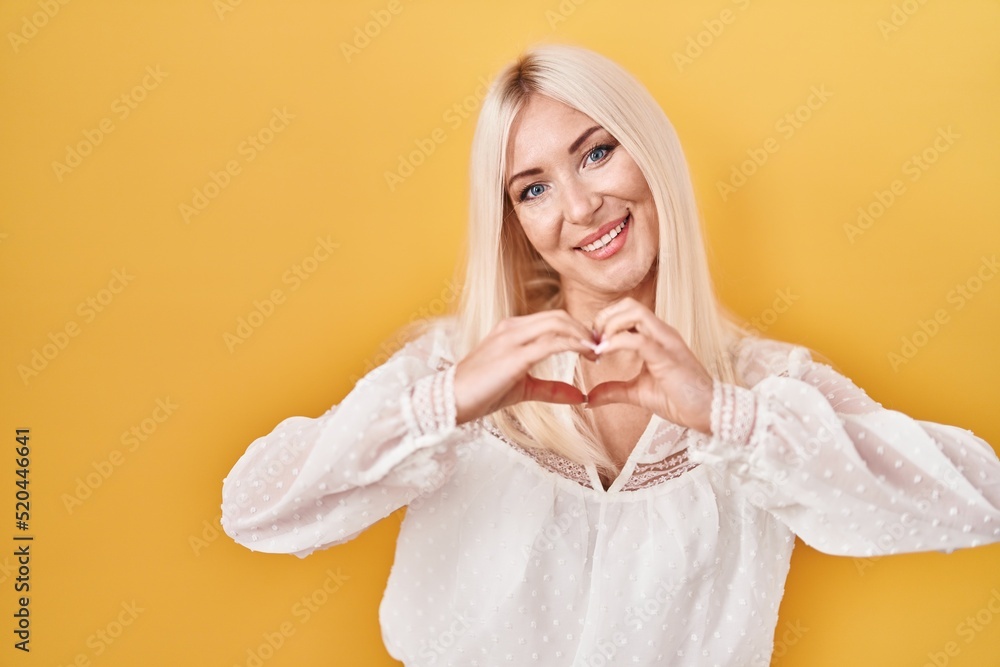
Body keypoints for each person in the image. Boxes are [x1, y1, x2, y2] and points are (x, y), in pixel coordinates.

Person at [220, 44, 1000, 666]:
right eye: (533, 189)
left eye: (595, 153)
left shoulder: (762, 395)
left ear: (650, 153)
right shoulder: (452, 374)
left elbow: (980, 497)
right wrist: (441, 405)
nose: (580, 206)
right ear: (513, 223)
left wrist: (725, 416)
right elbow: (256, 509)